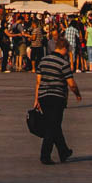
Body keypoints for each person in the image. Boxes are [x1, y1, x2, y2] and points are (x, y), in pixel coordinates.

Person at [32, 35, 82, 165]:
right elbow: (71, 83)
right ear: (64, 48)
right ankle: (45, 155)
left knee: (54, 125)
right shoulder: (63, 63)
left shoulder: (43, 61)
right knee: (52, 126)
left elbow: (38, 82)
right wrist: (77, 94)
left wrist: (36, 99)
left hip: (43, 96)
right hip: (57, 97)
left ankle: (63, 151)